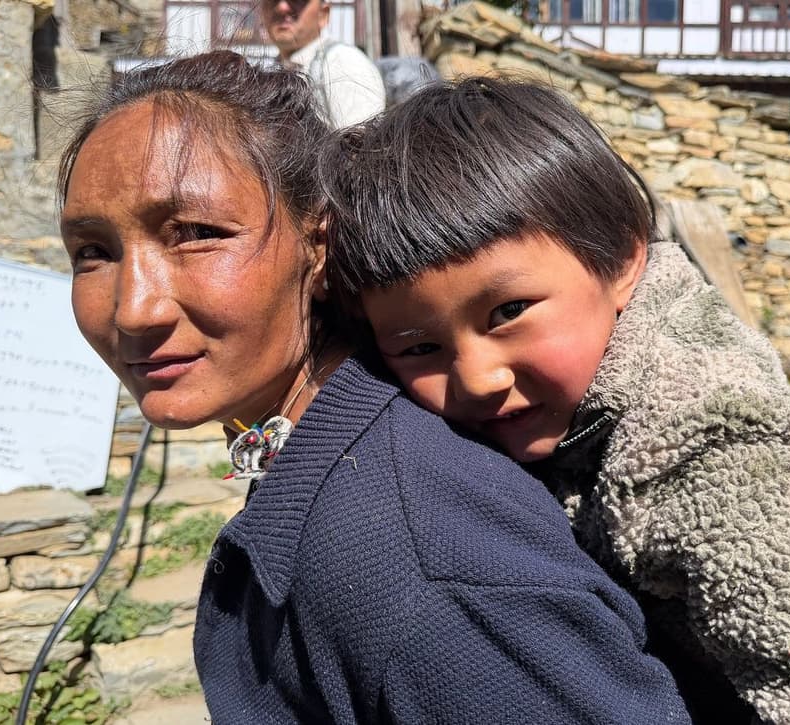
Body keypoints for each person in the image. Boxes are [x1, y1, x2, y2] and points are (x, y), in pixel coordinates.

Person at [56, 51, 689, 723]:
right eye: (93, 252)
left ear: (319, 244)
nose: (133, 308)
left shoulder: (413, 552)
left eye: (196, 234)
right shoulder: (330, 459)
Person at [320, 76, 790, 724]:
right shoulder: (572, 404)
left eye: (508, 311)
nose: (476, 376)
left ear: (619, 259)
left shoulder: (722, 455)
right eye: (419, 348)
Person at [263, 0, 385, 128]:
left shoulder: (341, 62)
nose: (282, 7)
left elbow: (360, 144)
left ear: (324, 14)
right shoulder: (272, 69)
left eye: (296, 0)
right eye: (272, 0)